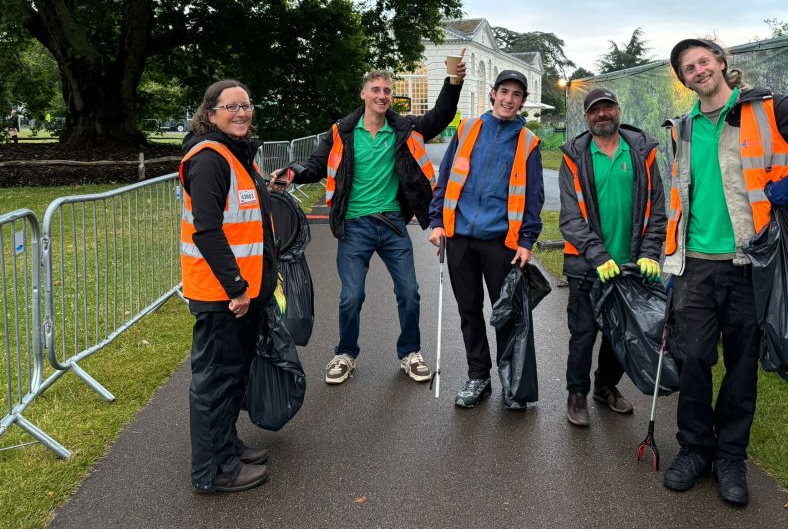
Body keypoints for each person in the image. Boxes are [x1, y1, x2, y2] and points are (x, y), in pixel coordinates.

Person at [662, 38, 788, 506]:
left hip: (749, 264)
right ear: (683, 79)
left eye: (704, 61)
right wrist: (670, 259)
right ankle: (695, 450)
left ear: (720, 64)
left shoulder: (768, 110)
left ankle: (731, 457)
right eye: (688, 67)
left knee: (741, 367)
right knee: (692, 360)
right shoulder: (682, 129)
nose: (698, 70)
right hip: (693, 264)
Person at [271, 61, 465, 384]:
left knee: (410, 292)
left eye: (387, 90)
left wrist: (454, 81)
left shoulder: (405, 129)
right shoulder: (342, 132)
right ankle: (345, 354)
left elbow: (441, 116)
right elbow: (317, 165)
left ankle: (410, 353)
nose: (382, 95)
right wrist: (292, 172)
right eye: (375, 89)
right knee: (351, 296)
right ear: (363, 94)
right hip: (355, 226)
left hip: (392, 225)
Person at [179, 79, 278, 493]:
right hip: (222, 295)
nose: (241, 113)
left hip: (243, 292)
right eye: (231, 107)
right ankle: (214, 471)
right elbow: (207, 230)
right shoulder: (208, 158)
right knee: (214, 382)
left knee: (232, 377)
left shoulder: (235, 154)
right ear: (212, 113)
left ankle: (227, 446)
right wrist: (236, 287)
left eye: (246, 105)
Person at [428, 69, 544, 409]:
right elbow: (445, 178)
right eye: (504, 92)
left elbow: (533, 195)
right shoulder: (467, 129)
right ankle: (479, 376)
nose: (509, 99)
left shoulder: (528, 142)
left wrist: (527, 240)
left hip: (501, 243)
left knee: (506, 313)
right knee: (469, 311)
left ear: (522, 101)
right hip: (460, 239)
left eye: (516, 95)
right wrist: (437, 221)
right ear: (493, 93)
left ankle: (513, 384)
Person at [559, 87, 666, 427]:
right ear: (586, 116)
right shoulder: (574, 156)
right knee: (583, 334)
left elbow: (658, 208)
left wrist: (650, 252)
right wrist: (597, 255)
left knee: (621, 333)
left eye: (607, 108)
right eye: (595, 110)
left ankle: (605, 387)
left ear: (618, 111)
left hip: (630, 265)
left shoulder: (642, 152)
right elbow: (570, 217)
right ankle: (576, 394)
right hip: (588, 266)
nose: (602, 114)